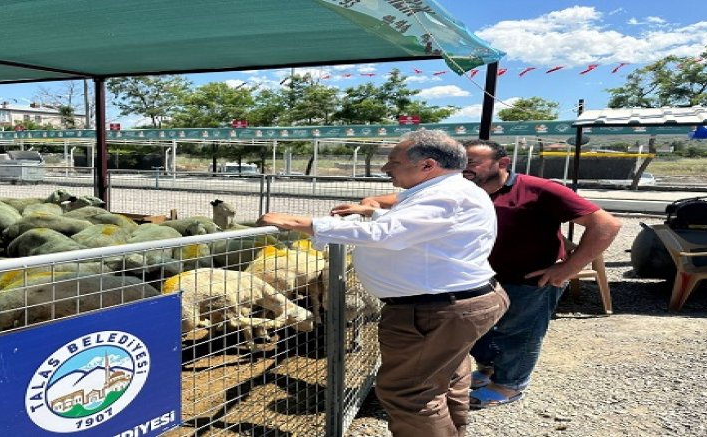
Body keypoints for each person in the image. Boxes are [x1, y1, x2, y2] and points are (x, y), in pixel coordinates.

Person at [258, 130, 508, 437]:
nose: (386, 168)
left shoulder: (446, 195)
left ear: (428, 165)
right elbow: (416, 222)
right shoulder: (446, 189)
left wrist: (299, 223)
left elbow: (387, 233)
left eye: (393, 161)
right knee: (446, 377)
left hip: (434, 310)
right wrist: (372, 211)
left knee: (409, 393)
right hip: (454, 302)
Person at [360, 139, 621, 409]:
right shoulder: (457, 188)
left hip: (530, 279)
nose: (463, 168)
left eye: (472, 162)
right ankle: (487, 371)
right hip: (476, 281)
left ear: (503, 164)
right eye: (461, 162)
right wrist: (373, 204)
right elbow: (400, 200)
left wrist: (568, 267)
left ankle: (510, 385)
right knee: (481, 334)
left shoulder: (540, 190)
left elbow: (606, 224)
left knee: (519, 334)